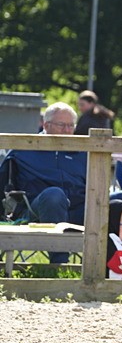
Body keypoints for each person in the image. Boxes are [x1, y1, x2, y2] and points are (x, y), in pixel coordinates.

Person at [0, 103, 87, 262]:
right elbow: (3, 183)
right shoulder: (24, 149)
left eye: (70, 125)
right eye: (61, 125)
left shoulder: (84, 153)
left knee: (121, 200)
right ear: (46, 125)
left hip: (79, 211)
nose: (67, 130)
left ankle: (117, 268)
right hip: (38, 211)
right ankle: (60, 265)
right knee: (54, 195)